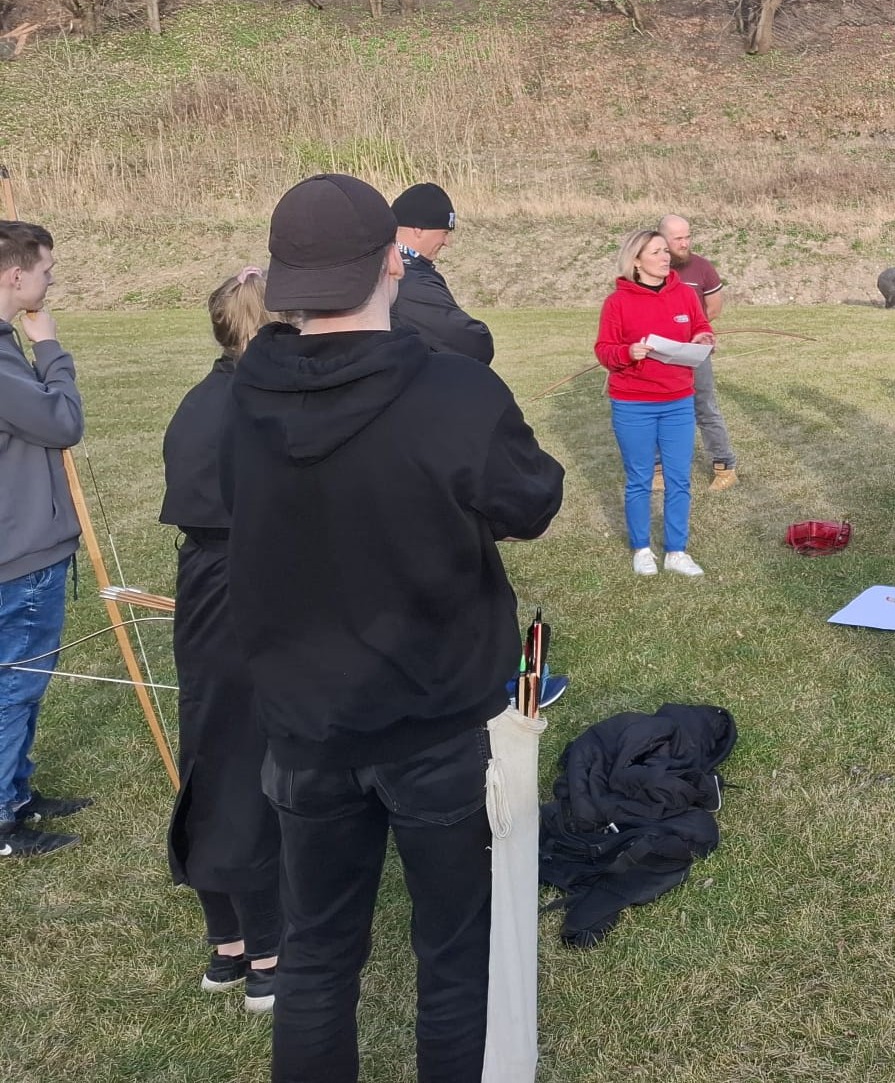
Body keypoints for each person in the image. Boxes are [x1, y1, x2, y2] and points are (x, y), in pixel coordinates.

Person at [229, 173, 564, 1081]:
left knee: (318, 952)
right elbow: (532, 501)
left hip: (310, 723)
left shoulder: (240, 393)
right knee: (448, 957)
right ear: (391, 261)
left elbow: (526, 499)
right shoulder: (452, 390)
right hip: (429, 722)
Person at [159, 267, 283, 1010]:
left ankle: (230, 942)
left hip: (210, 583)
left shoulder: (202, 397)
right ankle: (262, 949)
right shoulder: (257, 404)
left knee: (214, 748)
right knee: (244, 760)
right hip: (244, 585)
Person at [0, 220, 89, 860]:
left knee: (20, 681)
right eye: (45, 271)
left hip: (22, 545)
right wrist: (51, 348)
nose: (50, 281)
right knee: (16, 685)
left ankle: (16, 790)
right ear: (15, 275)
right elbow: (62, 420)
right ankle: (3, 816)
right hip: (20, 553)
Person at [596, 228, 716, 577]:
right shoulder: (617, 302)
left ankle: (676, 551)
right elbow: (604, 350)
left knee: (679, 479)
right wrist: (627, 352)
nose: (666, 258)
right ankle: (642, 549)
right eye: (656, 252)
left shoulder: (685, 295)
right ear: (636, 261)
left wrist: (704, 337)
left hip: (678, 401)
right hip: (633, 404)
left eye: (666, 251)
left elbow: (702, 327)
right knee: (639, 479)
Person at [659, 214, 739, 492]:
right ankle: (657, 470)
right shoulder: (650, 268)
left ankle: (725, 467)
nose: (684, 243)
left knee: (705, 407)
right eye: (677, 238)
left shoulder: (702, 267)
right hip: (658, 354)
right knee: (657, 409)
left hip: (695, 350)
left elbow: (713, 309)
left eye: (688, 237)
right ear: (661, 239)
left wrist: (693, 331)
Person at [389, 183, 494, 364]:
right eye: (444, 232)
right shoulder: (410, 281)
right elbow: (473, 344)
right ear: (418, 229)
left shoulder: (381, 263)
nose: (447, 242)